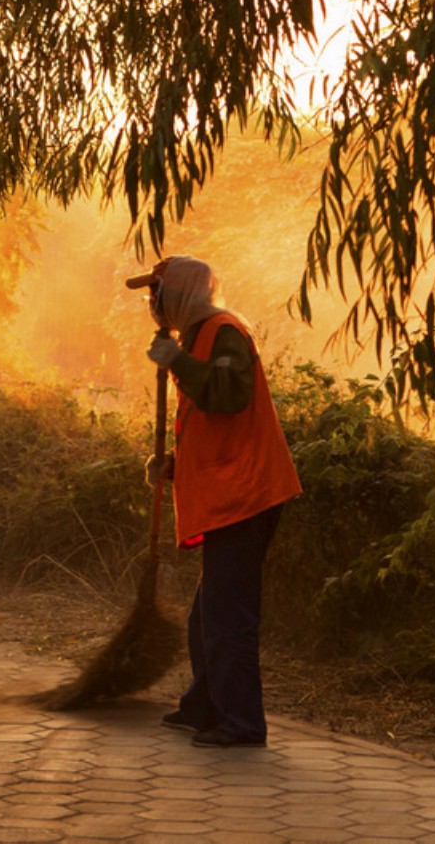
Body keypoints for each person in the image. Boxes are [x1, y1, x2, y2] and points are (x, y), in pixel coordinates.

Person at [125, 255, 302, 748]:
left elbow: (226, 396)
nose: (153, 306)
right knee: (208, 614)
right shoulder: (197, 337)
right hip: (232, 491)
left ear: (180, 293)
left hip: (249, 494)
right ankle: (205, 707)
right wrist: (173, 468)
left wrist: (176, 363)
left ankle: (242, 725)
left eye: (157, 295)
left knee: (229, 618)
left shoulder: (224, 332)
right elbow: (213, 429)